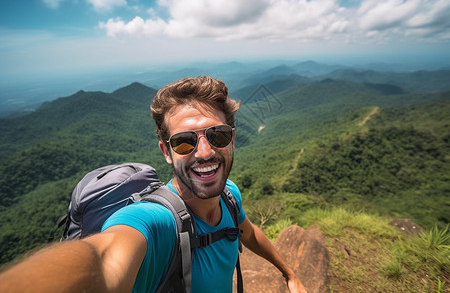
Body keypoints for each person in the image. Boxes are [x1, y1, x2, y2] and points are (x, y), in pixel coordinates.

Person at [0, 76, 307, 293]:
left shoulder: (230, 196)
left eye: (218, 135)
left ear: (233, 139)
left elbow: (247, 230)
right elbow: (104, 258)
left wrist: (289, 274)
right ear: (166, 152)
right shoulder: (154, 221)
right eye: (185, 142)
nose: (205, 152)